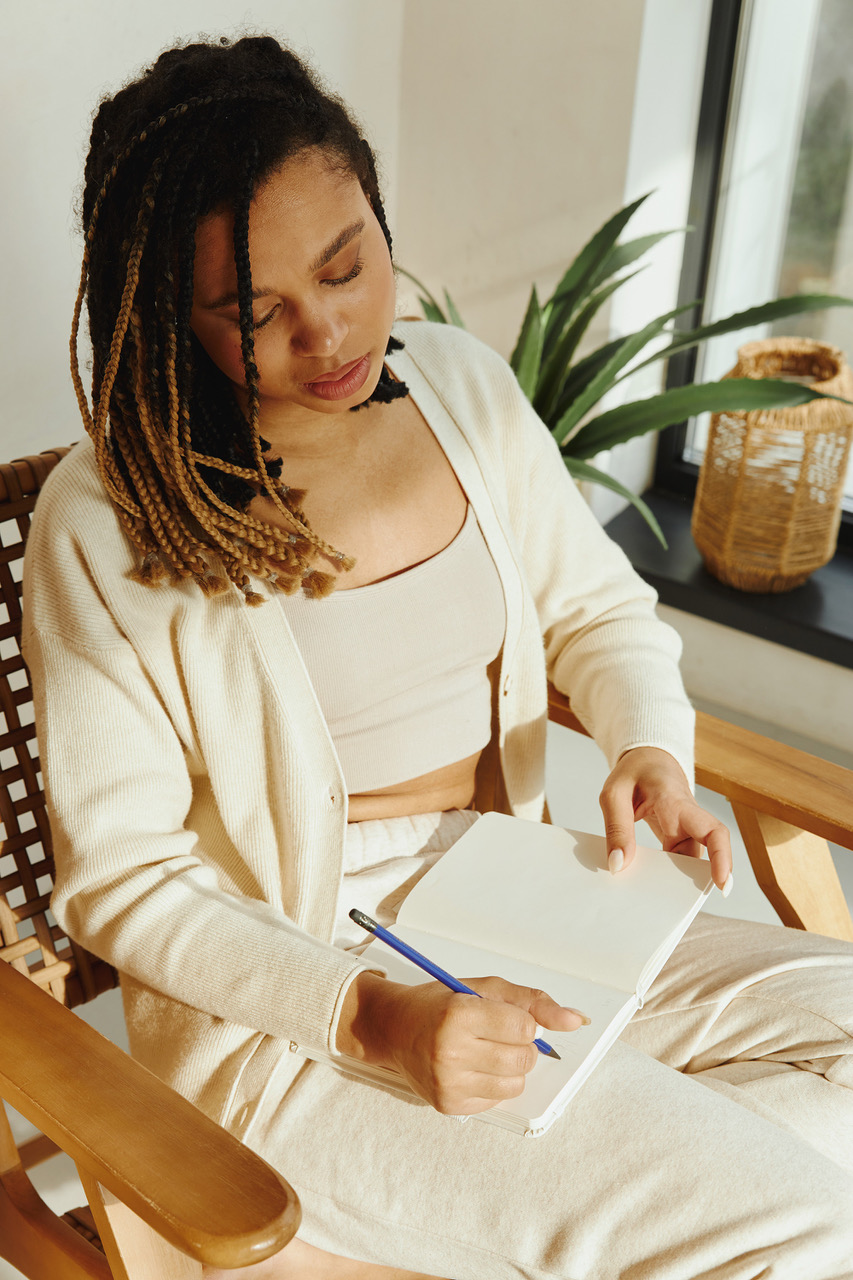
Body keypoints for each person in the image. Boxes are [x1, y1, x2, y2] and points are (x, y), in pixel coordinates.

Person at [23, 35, 853, 1280]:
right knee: (804, 1221)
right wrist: (372, 1014)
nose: (329, 331)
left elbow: (600, 614)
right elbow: (125, 882)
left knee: (794, 1163)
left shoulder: (458, 387)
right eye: (256, 315)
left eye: (349, 263)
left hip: (532, 905)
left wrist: (643, 741)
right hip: (299, 1014)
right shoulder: (108, 519)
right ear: (170, 314)